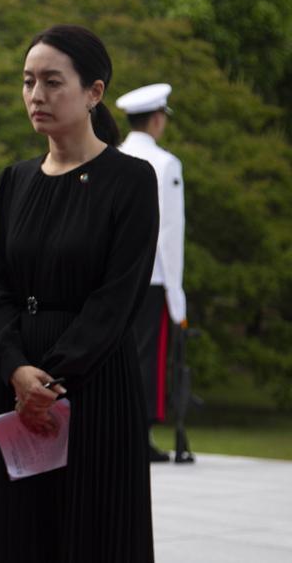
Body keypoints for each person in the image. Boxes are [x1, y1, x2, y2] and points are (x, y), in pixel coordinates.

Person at [0, 25, 159, 562]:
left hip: (93, 383)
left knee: (92, 532)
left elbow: (118, 298)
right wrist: (16, 368)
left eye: (53, 82)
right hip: (17, 380)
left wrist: (52, 378)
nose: (37, 95)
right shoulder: (15, 180)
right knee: (18, 534)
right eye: (29, 81)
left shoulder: (131, 180)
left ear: (94, 92)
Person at [116, 82, 193, 464]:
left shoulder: (110, 156)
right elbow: (169, 232)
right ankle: (139, 433)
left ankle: (116, 430)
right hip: (152, 278)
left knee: (116, 352)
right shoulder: (165, 163)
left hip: (113, 278)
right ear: (158, 119)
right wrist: (175, 294)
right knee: (148, 356)